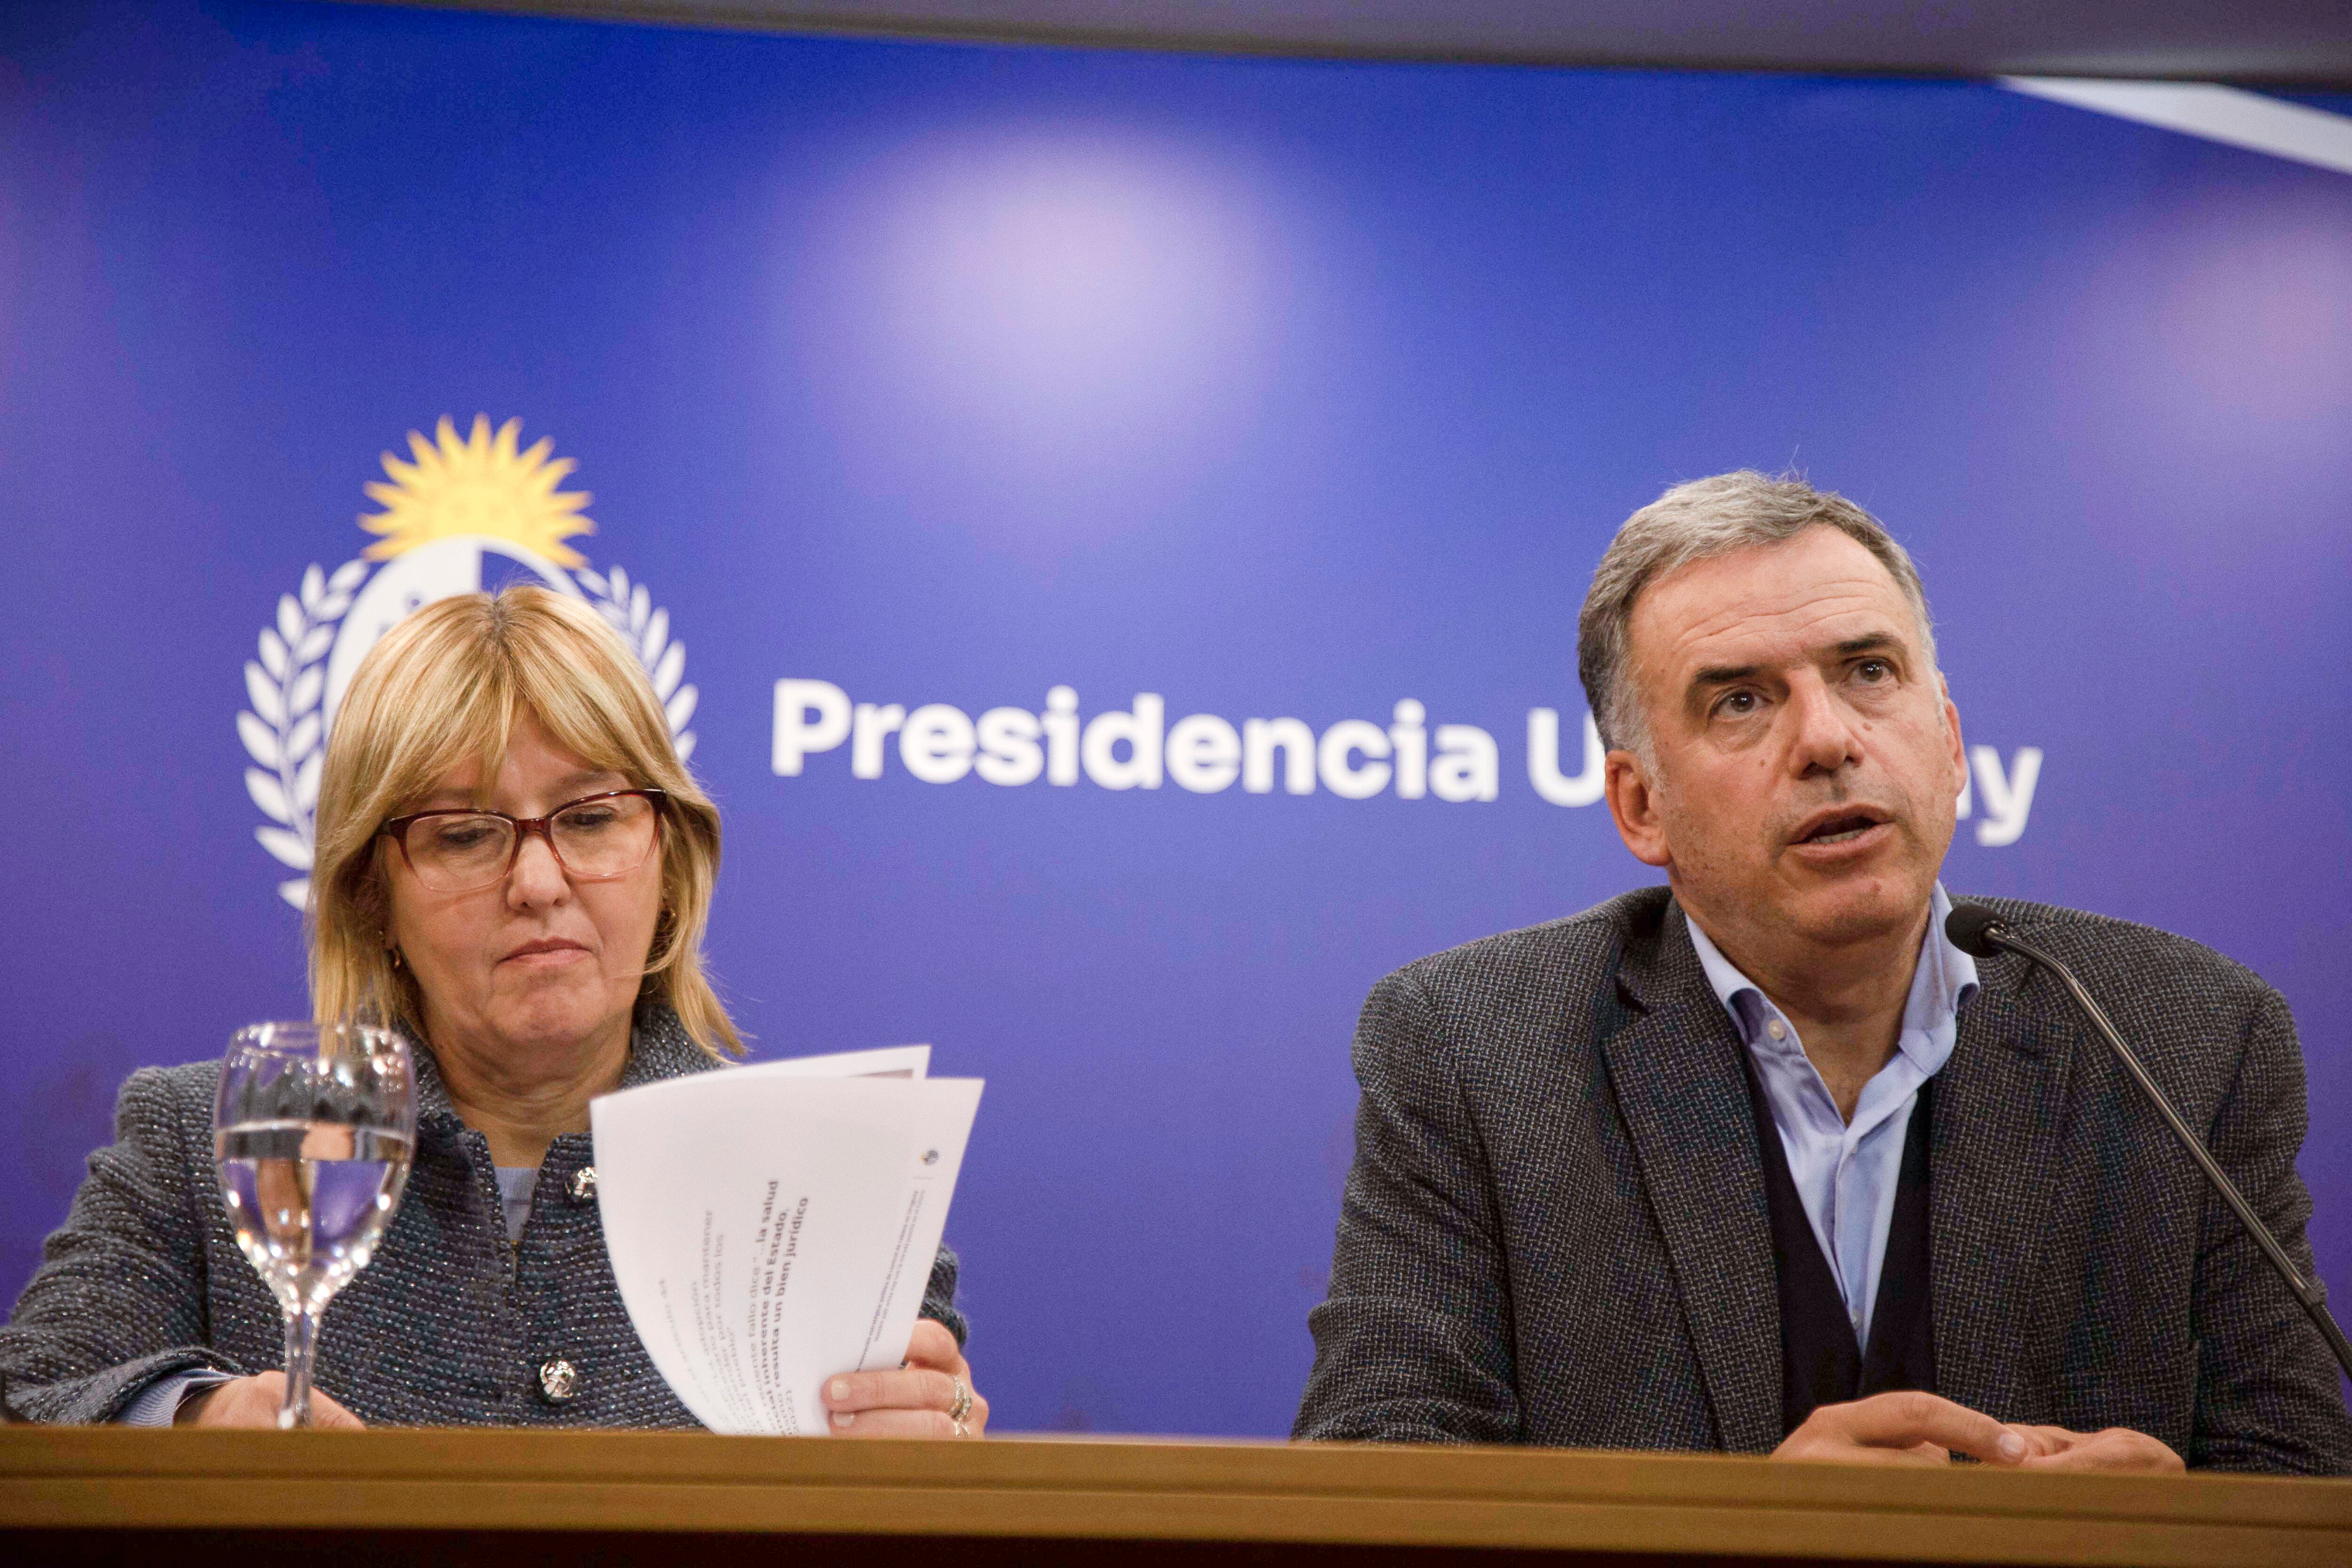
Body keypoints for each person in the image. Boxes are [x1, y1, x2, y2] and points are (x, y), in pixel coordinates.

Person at [1295, 471, 2351, 1473]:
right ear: (1639, 805)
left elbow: (2300, 1484)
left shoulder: (2187, 1036)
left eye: (1868, 672)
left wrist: (2167, 1541)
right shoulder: (1475, 1046)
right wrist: (1751, 1528)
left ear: (1946, 739)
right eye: (1741, 701)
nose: (1827, 738)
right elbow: (1381, 1467)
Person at [2, 585, 987, 1436]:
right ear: (371, 897)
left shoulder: (837, 1171)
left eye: (592, 818)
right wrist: (190, 1415)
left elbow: (899, 1500)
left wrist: (924, 1458)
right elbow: (31, 1395)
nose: (537, 880)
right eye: (465, 834)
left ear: (670, 866)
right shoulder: (210, 1140)